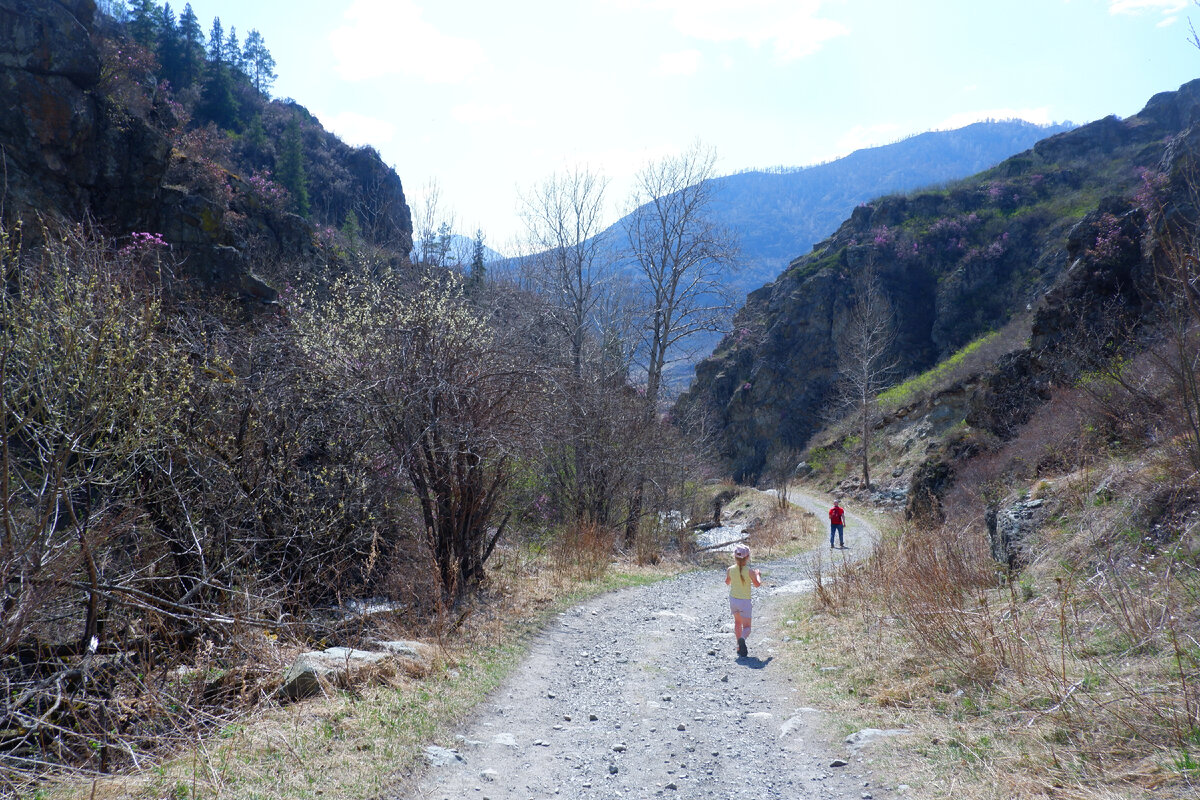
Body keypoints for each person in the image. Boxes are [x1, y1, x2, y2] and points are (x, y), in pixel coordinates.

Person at [725, 544, 762, 657]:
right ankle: (742, 639)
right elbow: (757, 584)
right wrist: (758, 575)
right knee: (747, 628)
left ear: (734, 557)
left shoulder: (730, 569)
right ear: (748, 557)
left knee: (737, 623)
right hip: (744, 602)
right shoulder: (749, 571)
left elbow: (727, 582)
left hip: (733, 600)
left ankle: (739, 647)